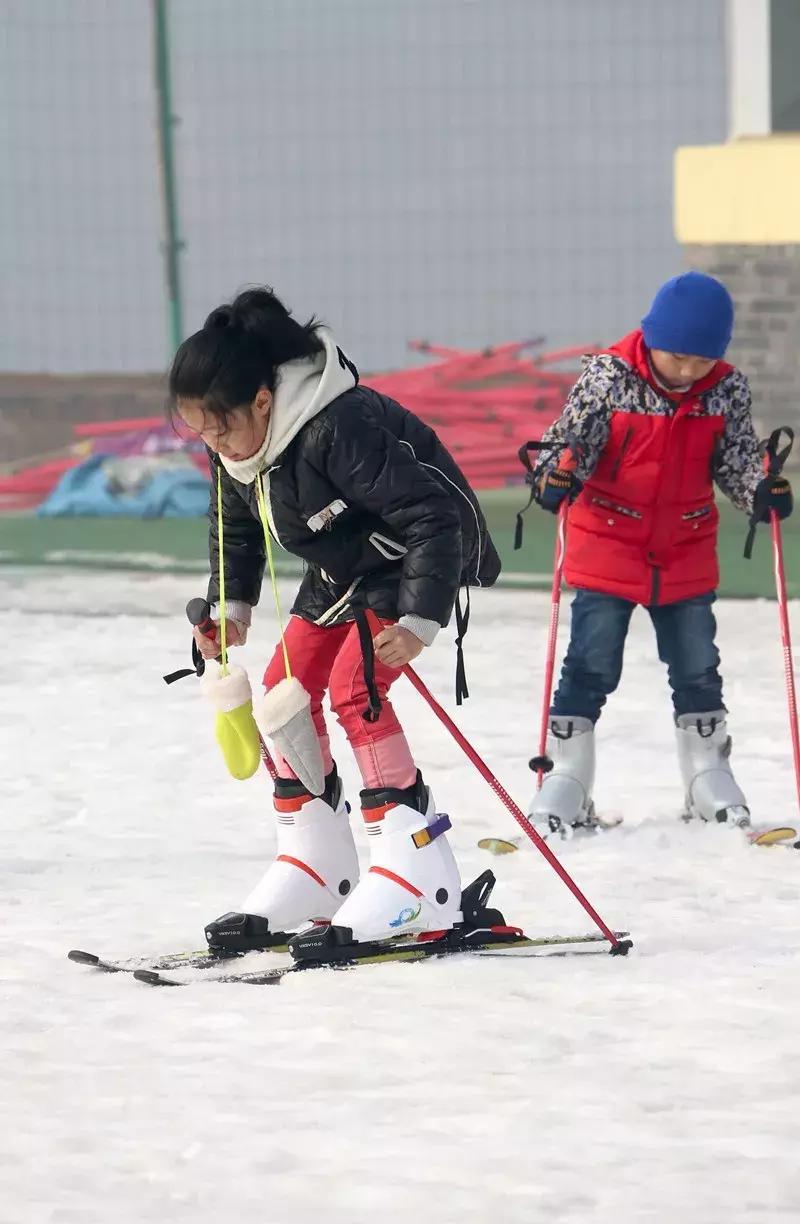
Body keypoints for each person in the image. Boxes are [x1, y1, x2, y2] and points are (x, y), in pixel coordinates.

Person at [168, 287, 500, 948]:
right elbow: (234, 531)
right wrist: (231, 611)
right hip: (342, 571)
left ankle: (418, 876)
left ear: (263, 400)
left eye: (220, 426)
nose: (212, 442)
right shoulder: (236, 444)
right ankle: (318, 863)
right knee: (284, 694)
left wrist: (417, 619)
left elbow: (435, 516)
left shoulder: (335, 427)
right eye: (199, 429)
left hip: (408, 559)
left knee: (358, 687)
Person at [529, 271, 793, 838]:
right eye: (677, 357)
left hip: (685, 545)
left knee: (697, 664)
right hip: (608, 539)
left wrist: (760, 488)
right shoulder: (609, 377)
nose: (688, 371)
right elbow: (566, 442)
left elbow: (737, 460)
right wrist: (555, 475)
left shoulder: (726, 389)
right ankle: (567, 780)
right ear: (652, 337)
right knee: (591, 662)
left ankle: (707, 776)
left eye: (702, 361)